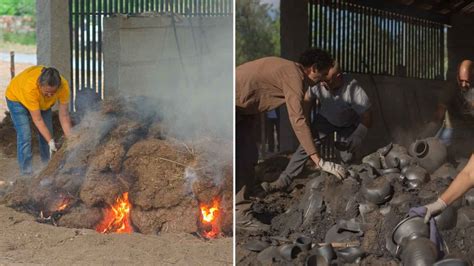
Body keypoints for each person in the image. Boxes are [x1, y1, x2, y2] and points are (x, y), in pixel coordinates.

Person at [236, 48, 345, 231]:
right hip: (232, 104)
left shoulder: (290, 70)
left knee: (248, 156)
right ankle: (239, 214)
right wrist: (318, 160)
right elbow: (298, 119)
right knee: (242, 157)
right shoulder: (293, 75)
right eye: (324, 73)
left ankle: (237, 205)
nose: (325, 79)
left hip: (243, 109)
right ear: (314, 68)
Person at [261, 63, 372, 192]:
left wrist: (358, 135)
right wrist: (306, 123)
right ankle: (283, 181)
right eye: (323, 79)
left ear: (338, 76)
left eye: (328, 80)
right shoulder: (320, 83)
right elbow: (307, 99)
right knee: (306, 146)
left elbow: (367, 115)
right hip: (325, 119)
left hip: (347, 123)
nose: (324, 83)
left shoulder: (354, 89)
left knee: (347, 155)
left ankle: (346, 182)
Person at [422, 60, 474, 222]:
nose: (464, 85)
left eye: (468, 81)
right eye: (462, 81)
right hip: (453, 128)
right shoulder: (450, 89)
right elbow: (470, 173)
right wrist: (440, 204)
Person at [5, 66, 72, 175]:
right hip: (16, 98)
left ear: (58, 87)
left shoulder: (63, 87)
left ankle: (48, 168)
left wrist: (71, 139)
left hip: (41, 103)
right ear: (39, 85)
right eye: (47, 92)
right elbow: (38, 120)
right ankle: (26, 173)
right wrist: (51, 141)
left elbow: (64, 116)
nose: (50, 95)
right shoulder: (30, 87)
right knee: (25, 136)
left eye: (53, 92)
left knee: (47, 134)